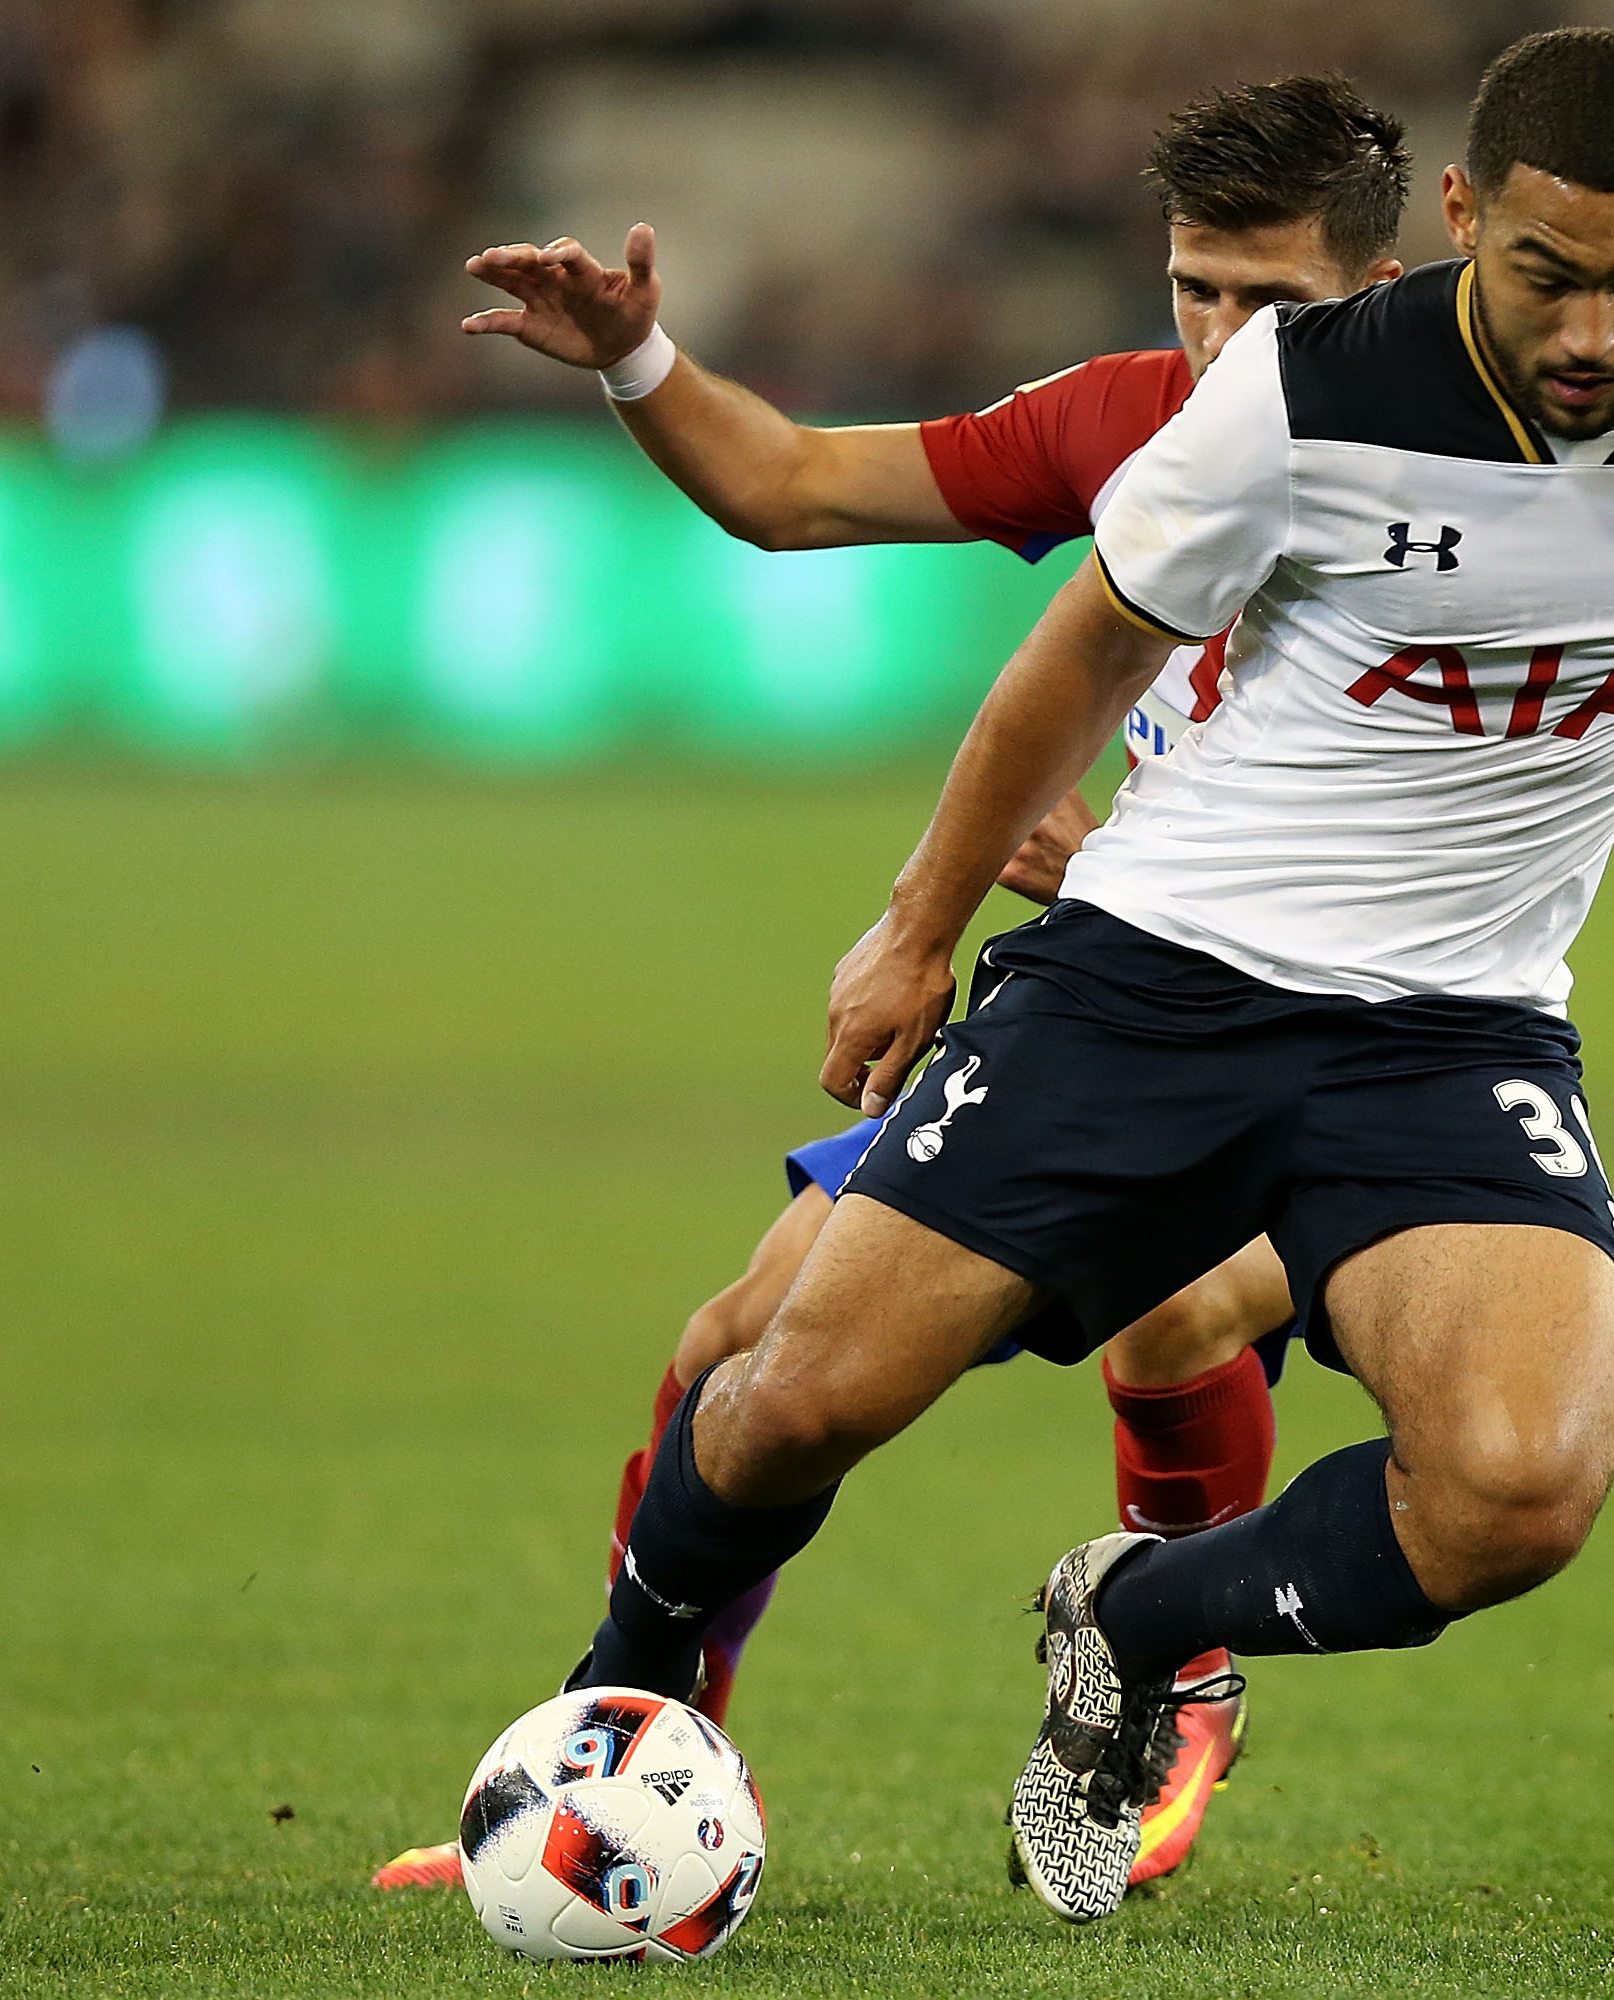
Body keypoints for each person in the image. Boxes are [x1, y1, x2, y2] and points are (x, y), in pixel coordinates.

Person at [550, 26, 1614, 1926]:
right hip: (1157, 982)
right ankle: (611, 1713)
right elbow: (1077, 660)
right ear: (1456, 222)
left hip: (1460, 1030)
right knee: (783, 1396)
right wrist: (921, 925)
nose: (1594, 333)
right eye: (1544, 277)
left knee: (1518, 1496)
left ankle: (1138, 1612)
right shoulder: (1291, 400)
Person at [372, 76, 1411, 1895]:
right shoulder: (1142, 426)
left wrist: (1110, 868)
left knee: (1172, 1311)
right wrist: (639, 360)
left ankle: (1180, 1676)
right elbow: (791, 484)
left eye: (1274, 302)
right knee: (736, 1358)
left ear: (1387, 282)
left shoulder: (1470, 488)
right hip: (1115, 1004)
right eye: (1196, 287)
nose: (1225, 337)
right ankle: (623, 1766)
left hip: (1354, 1048)